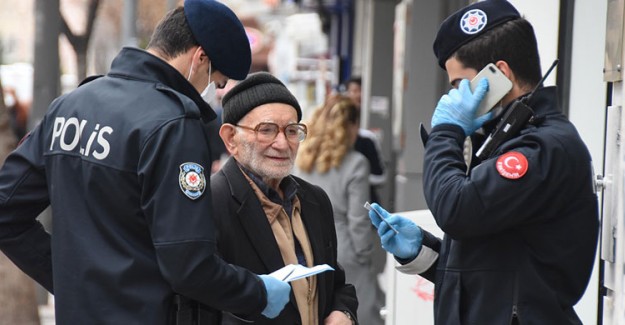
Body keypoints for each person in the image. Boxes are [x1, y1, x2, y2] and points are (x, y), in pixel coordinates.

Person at [0, 1, 292, 324]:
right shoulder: (174, 124)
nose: (214, 91)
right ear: (200, 59)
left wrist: (71, 280)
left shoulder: (69, 107)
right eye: (218, 81)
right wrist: (259, 293)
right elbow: (189, 265)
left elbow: (6, 209)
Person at [367, 1, 599, 324]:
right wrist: (424, 251)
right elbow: (496, 271)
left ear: (500, 74)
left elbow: (456, 210)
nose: (455, 98)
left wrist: (446, 132)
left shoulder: (542, 148)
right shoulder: (509, 140)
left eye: (461, 85)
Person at [211, 72, 358, 324]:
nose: (282, 143)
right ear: (230, 138)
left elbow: (336, 283)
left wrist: (343, 312)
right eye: (266, 130)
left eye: (292, 131)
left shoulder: (314, 200)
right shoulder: (213, 202)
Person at [295, 95, 382, 325]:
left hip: (305, 246)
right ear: (351, 126)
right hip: (345, 250)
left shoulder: (302, 158)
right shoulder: (356, 163)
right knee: (357, 316)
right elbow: (358, 219)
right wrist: (365, 256)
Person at [344, 76, 386, 204]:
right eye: (353, 90)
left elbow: (380, 176)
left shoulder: (366, 139)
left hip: (365, 203)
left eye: (360, 90)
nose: (357, 95)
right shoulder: (322, 144)